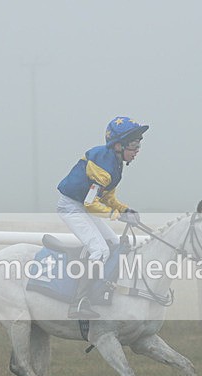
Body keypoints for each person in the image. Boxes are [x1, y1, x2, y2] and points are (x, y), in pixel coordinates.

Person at [56, 116, 148, 319]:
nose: (137, 150)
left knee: (114, 243)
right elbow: (91, 204)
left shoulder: (116, 163)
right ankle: (78, 302)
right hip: (71, 206)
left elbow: (107, 197)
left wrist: (124, 209)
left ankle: (103, 289)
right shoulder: (104, 164)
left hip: (82, 205)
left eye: (138, 145)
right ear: (118, 145)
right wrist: (117, 216)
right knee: (100, 250)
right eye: (133, 145)